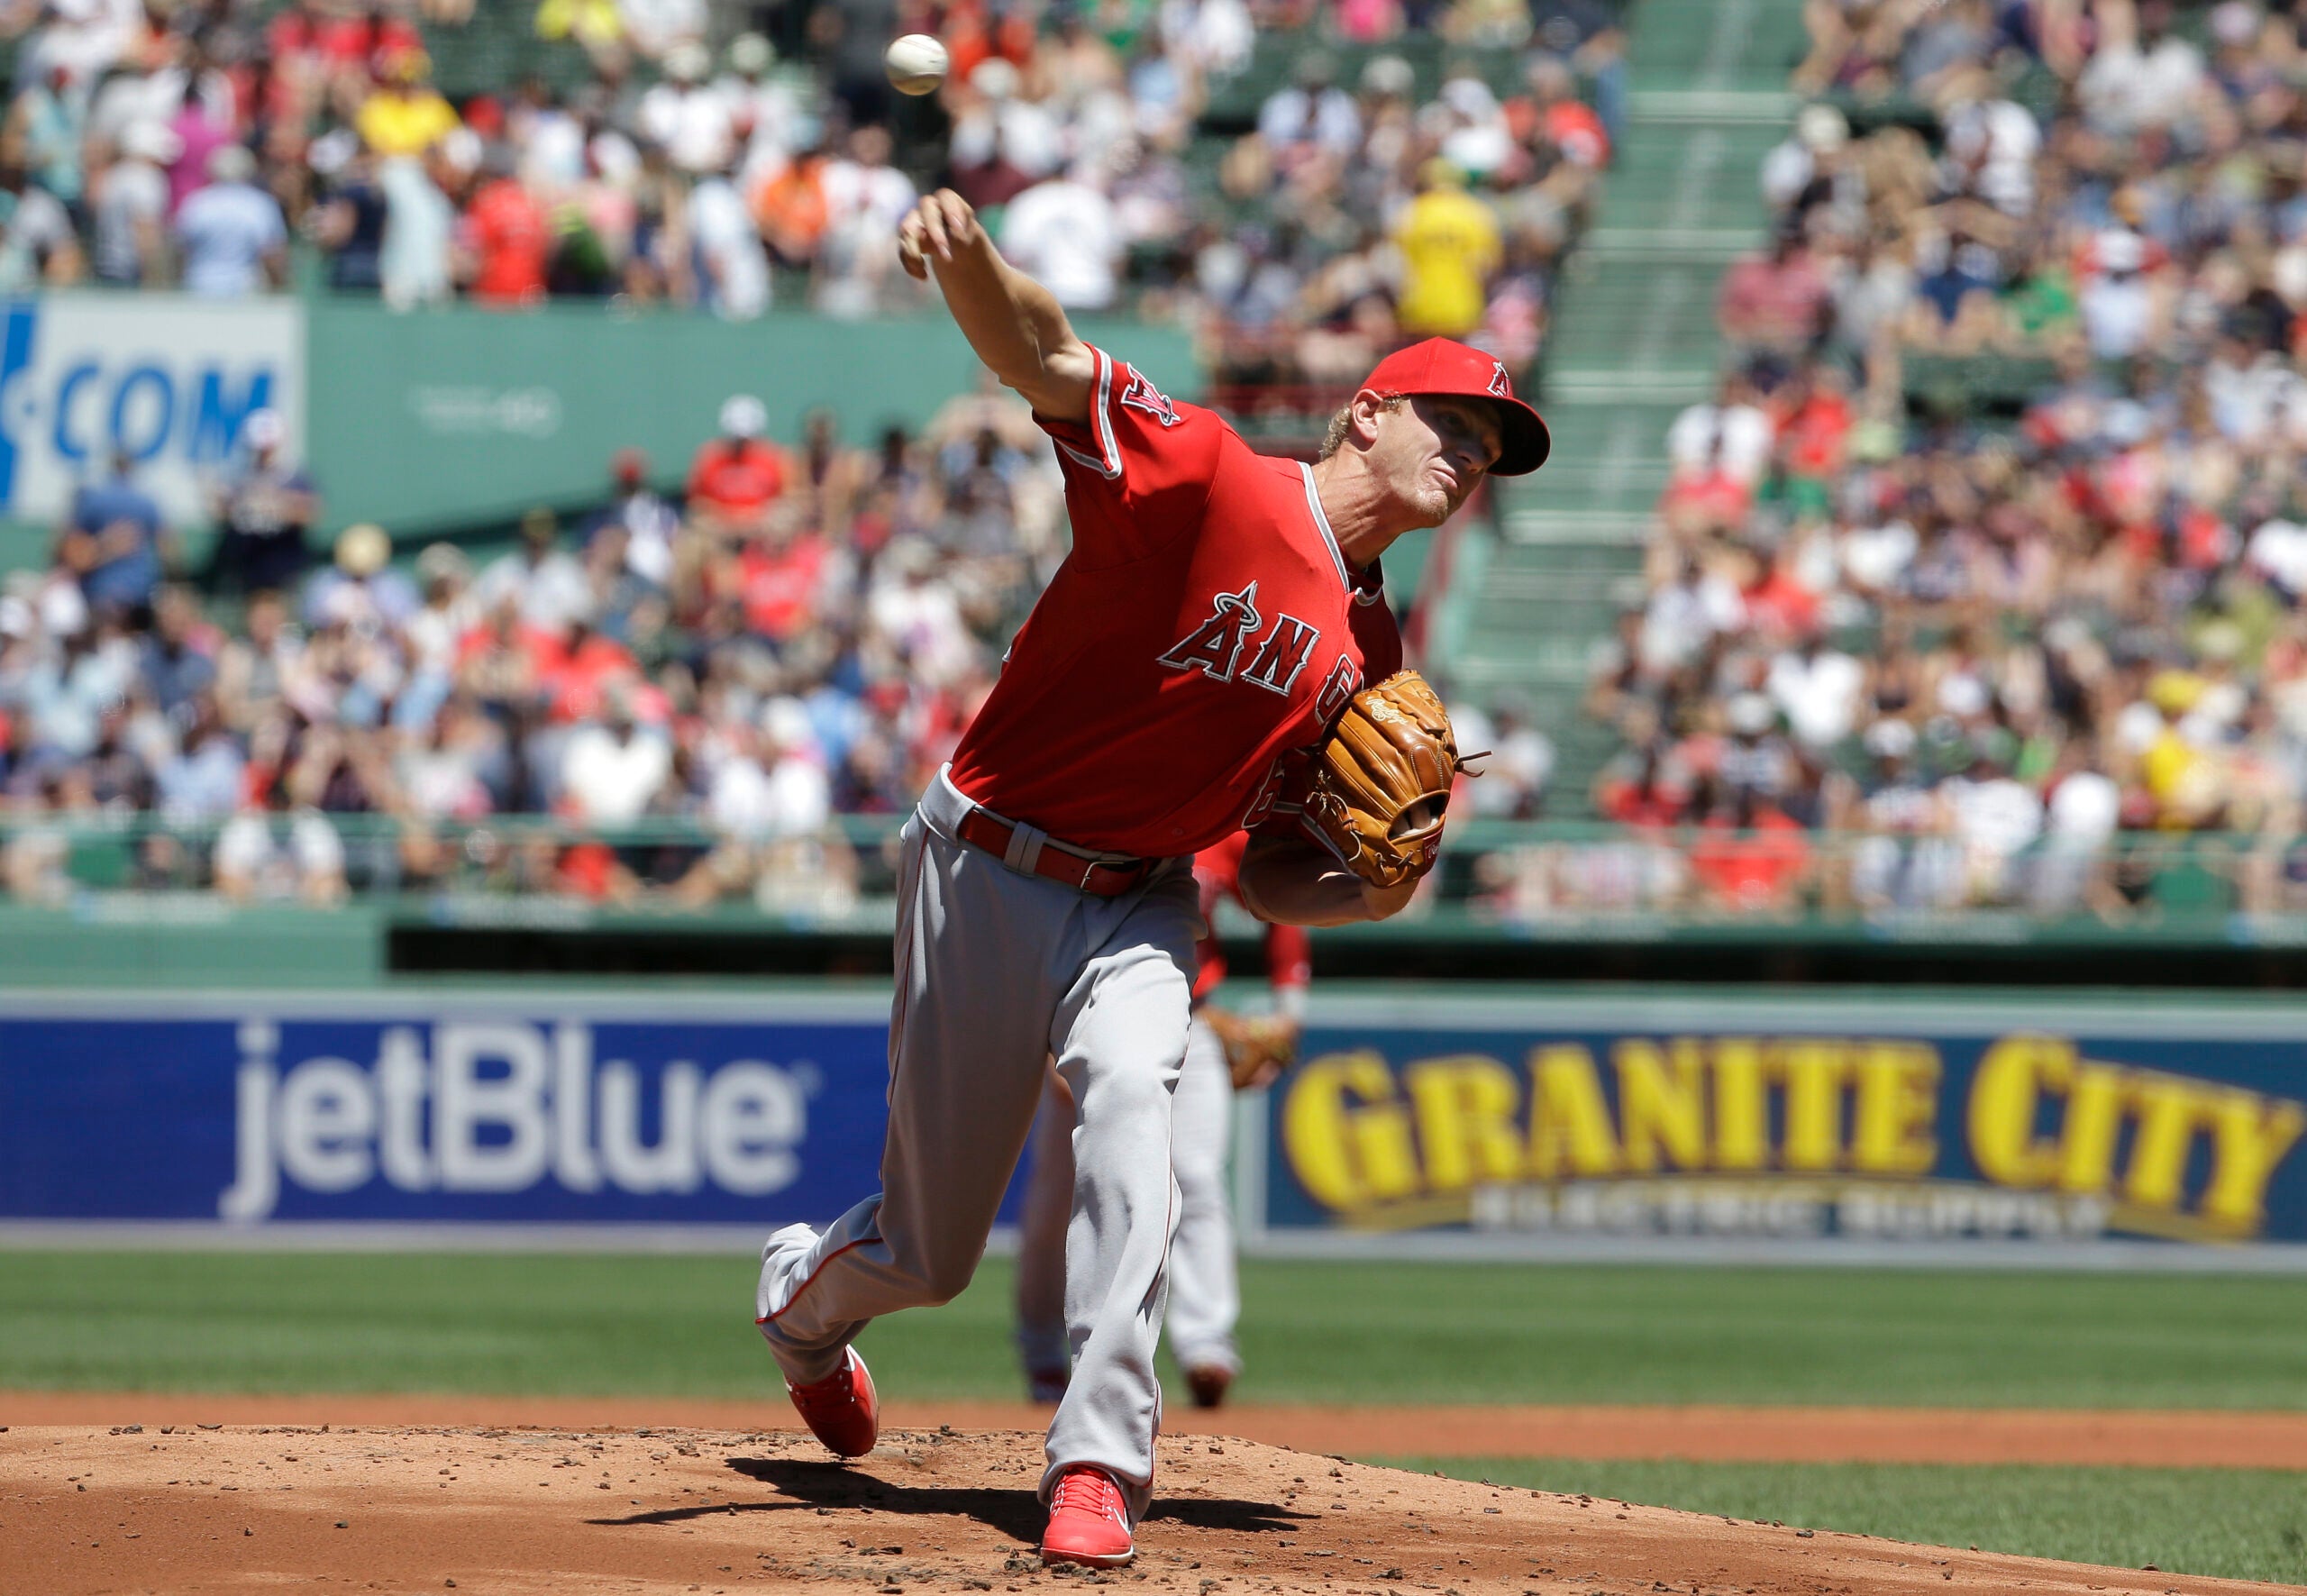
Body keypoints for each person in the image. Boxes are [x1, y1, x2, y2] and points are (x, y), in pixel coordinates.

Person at [752, 187, 1548, 1570]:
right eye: (1455, 426)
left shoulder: (1373, 641)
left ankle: (1101, 1456)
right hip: (985, 854)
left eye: (1491, 448)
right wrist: (975, 265)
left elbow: (1283, 873)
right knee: (928, 1253)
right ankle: (801, 1308)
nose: (1472, 455)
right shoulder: (1217, 478)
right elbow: (1051, 358)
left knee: (1135, 1103)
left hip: (1142, 894)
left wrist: (1366, 891)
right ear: (1368, 412)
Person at [1014, 831, 1309, 1409]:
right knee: (1061, 1193)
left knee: (1197, 1178)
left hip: (1191, 1017)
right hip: (1077, 1018)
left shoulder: (1226, 827)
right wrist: (1043, 1035)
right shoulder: (1094, 816)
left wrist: (1289, 1012)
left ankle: (1207, 1345)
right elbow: (1036, 921)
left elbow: (1285, 912)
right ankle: (1044, 1349)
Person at [206, 409, 320, 597]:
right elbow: (220, 514)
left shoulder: (294, 476)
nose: (264, 453)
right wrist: (236, 507)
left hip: (284, 562)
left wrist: (276, 505)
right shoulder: (239, 477)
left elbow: (310, 514)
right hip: (247, 563)